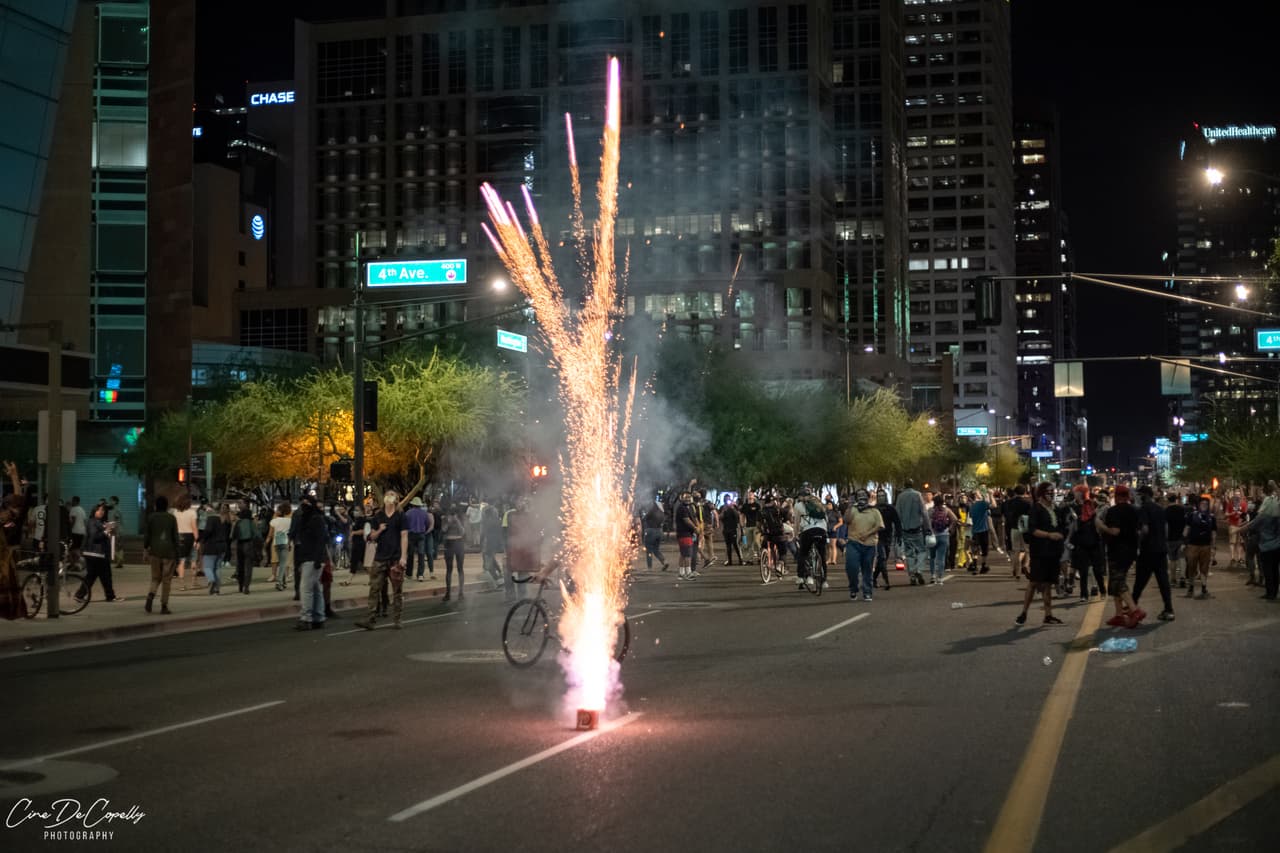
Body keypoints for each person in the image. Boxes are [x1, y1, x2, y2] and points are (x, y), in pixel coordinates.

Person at [355, 491, 408, 630]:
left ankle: (397, 619)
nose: (390, 497)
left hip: (395, 558)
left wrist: (403, 557)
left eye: (392, 495)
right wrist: (379, 530)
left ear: (396, 499)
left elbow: (404, 536)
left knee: (397, 590)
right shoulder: (378, 516)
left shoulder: (401, 516)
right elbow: (371, 537)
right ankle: (370, 619)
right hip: (380, 557)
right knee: (374, 588)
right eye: (388, 494)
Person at [1016, 482, 1066, 626]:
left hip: (1054, 551)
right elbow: (1032, 530)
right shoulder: (1036, 509)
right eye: (1049, 492)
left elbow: (1061, 526)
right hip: (1040, 551)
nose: (1052, 494)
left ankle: (1048, 615)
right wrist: (1049, 535)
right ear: (1042, 493)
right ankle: (1023, 613)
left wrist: (1061, 535)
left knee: (1048, 584)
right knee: (1034, 582)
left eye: (1053, 491)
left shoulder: (1055, 508)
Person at [1097, 484, 1144, 628]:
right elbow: (1142, 529)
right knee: (1116, 582)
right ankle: (1119, 615)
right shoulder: (1136, 510)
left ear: (1116, 497)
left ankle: (1134, 610)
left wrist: (1101, 525)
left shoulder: (1114, 511)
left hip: (1117, 551)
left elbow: (1115, 531)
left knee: (1118, 581)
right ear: (1128, 496)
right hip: (1131, 550)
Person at [1134, 486, 1175, 622]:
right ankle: (1169, 610)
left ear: (1145, 495)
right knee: (1163, 581)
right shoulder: (1160, 509)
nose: (1138, 497)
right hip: (1161, 549)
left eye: (1140, 495)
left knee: (1140, 581)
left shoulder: (1144, 508)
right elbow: (1166, 528)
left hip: (1148, 550)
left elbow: (1144, 529)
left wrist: (1138, 539)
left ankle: (1132, 608)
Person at [293, 494, 330, 630]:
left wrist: (318, 559)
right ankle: (318, 616)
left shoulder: (315, 519)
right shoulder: (308, 519)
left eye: (306, 503)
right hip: (310, 557)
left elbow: (321, 540)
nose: (304, 506)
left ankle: (306, 617)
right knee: (315, 588)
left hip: (312, 558)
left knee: (306, 588)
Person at [1067, 485, 1106, 601]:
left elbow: (1100, 518)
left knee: (1097, 569)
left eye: (1077, 492)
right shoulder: (1073, 506)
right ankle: (1084, 594)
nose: (1075, 494)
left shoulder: (1093, 504)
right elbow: (1072, 526)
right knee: (1083, 570)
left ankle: (1102, 590)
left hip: (1094, 541)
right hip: (1081, 542)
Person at [843, 489, 883, 601]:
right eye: (859, 496)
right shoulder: (853, 510)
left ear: (868, 497)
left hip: (869, 544)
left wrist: (867, 534)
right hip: (853, 542)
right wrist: (850, 506)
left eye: (864, 495)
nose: (862, 498)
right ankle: (853, 588)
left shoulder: (874, 511)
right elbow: (846, 520)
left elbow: (879, 526)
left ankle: (867, 592)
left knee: (867, 569)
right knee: (852, 568)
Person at [142, 495, 179, 614]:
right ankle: (164, 605)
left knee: (155, 578)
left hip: (155, 552)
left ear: (156, 506)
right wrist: (177, 552)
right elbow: (175, 537)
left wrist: (146, 548)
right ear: (167, 506)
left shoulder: (151, 517)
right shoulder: (171, 518)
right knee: (166, 579)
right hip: (169, 552)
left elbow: (147, 535)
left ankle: (151, 595)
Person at [78, 503, 121, 603]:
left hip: (97, 553)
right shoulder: (93, 522)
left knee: (97, 576)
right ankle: (110, 596)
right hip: (96, 553)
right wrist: (106, 531)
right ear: (94, 511)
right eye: (99, 510)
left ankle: (80, 595)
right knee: (102, 576)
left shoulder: (98, 522)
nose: (101, 512)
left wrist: (109, 530)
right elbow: (95, 537)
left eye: (103, 510)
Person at [792, 488, 828, 591]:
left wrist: (796, 534)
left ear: (800, 496)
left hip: (807, 531)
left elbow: (797, 522)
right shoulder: (819, 503)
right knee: (822, 555)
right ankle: (824, 580)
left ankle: (800, 577)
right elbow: (826, 518)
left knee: (803, 553)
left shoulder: (798, 505)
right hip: (821, 530)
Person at [895, 479, 928, 586]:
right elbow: (924, 512)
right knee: (922, 551)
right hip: (917, 529)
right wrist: (928, 527)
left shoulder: (900, 497)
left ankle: (912, 575)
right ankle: (919, 570)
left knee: (909, 553)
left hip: (905, 530)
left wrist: (897, 530)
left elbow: (897, 514)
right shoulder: (917, 495)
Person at [1183, 497, 1217, 600]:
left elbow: (1214, 533)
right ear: (1199, 505)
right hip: (1193, 545)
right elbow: (1187, 529)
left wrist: (1213, 546)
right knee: (1191, 567)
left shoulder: (1211, 518)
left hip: (1206, 546)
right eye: (1202, 503)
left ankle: (1204, 589)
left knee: (1204, 568)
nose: (1204, 505)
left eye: (1206, 504)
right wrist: (1184, 542)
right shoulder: (1192, 515)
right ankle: (1190, 589)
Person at [927, 494, 957, 586]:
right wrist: (949, 529)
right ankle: (940, 578)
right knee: (941, 557)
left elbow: (927, 522)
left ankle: (932, 576)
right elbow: (955, 519)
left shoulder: (931, 510)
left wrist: (930, 531)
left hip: (933, 536)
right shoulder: (946, 510)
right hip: (944, 535)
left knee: (932, 557)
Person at [873, 490, 900, 590]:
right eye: (879, 496)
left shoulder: (890, 508)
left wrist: (899, 535)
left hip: (888, 537)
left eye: (882, 496)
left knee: (883, 559)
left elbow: (897, 522)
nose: (880, 498)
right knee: (882, 558)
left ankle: (873, 578)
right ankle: (886, 581)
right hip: (877, 537)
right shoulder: (874, 509)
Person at [1003, 485, 1032, 579]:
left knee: (1015, 550)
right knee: (1027, 550)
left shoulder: (1009, 503)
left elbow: (1006, 516)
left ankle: (1015, 571)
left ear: (1015, 492)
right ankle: (1026, 565)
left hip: (1013, 528)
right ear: (1024, 492)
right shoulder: (1027, 503)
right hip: (1025, 528)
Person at [440, 502, 467, 601]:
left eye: (454, 510)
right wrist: (448, 522)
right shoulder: (445, 518)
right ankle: (448, 593)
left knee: (460, 568)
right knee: (449, 569)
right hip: (449, 544)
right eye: (451, 510)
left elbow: (463, 532)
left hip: (459, 543)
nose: (452, 512)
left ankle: (461, 592)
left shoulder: (461, 518)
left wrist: (457, 521)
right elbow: (443, 530)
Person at [201, 503, 230, 595]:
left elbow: (208, 531)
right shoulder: (223, 519)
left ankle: (211, 580)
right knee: (217, 568)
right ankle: (217, 589)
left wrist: (202, 539)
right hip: (222, 546)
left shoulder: (211, 519)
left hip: (211, 546)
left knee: (207, 567)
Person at [232, 505, 261, 593]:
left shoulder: (238, 523)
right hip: (249, 544)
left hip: (239, 545)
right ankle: (246, 587)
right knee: (248, 566)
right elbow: (257, 535)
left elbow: (233, 535)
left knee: (240, 566)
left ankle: (240, 585)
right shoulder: (251, 523)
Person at [405, 496, 432, 581]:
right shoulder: (424, 513)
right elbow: (427, 523)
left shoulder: (408, 513)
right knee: (421, 554)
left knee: (410, 555)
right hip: (421, 535)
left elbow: (405, 524)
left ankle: (409, 574)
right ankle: (420, 574)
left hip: (411, 535)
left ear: (413, 504)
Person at [674, 491, 699, 580]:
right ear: (681, 498)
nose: (688, 499)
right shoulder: (682, 508)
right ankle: (688, 573)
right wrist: (695, 528)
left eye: (689, 497)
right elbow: (687, 520)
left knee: (683, 554)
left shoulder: (685, 507)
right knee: (688, 554)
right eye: (686, 497)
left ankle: (681, 573)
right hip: (685, 534)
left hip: (683, 534)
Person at [1165, 493, 1188, 588]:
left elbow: (1165, 525)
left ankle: (1173, 579)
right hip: (1180, 537)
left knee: (1172, 559)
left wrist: (1165, 538)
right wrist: (1184, 537)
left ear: (1168, 500)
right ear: (1176, 500)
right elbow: (1186, 524)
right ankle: (1182, 577)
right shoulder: (1182, 509)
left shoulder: (1165, 511)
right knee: (1182, 558)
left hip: (1170, 538)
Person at [641, 498, 669, 570]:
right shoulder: (662, 513)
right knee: (656, 550)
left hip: (650, 531)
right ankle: (664, 561)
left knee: (649, 550)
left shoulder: (652, 511)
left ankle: (649, 568)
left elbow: (645, 518)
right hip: (659, 532)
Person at [968, 490, 992, 574]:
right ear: (976, 496)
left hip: (975, 529)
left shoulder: (972, 507)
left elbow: (971, 516)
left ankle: (974, 565)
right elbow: (993, 505)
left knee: (975, 548)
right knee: (984, 549)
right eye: (979, 493)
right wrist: (990, 494)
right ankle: (983, 565)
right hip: (983, 529)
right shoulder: (982, 504)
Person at [740, 491, 762, 562]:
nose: (749, 496)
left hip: (756, 526)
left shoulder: (757, 505)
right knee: (749, 543)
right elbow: (742, 515)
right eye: (748, 495)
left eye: (751, 495)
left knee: (756, 542)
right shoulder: (745, 506)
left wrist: (761, 525)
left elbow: (761, 515)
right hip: (748, 526)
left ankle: (760, 556)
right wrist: (742, 524)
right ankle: (751, 558)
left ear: (753, 496)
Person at [721, 499, 743, 566]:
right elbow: (721, 518)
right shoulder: (724, 510)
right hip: (726, 529)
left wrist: (733, 508)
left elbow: (737, 518)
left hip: (733, 529)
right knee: (728, 546)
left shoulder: (734, 510)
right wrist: (724, 510)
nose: (729, 503)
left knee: (735, 544)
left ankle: (740, 560)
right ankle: (730, 561)